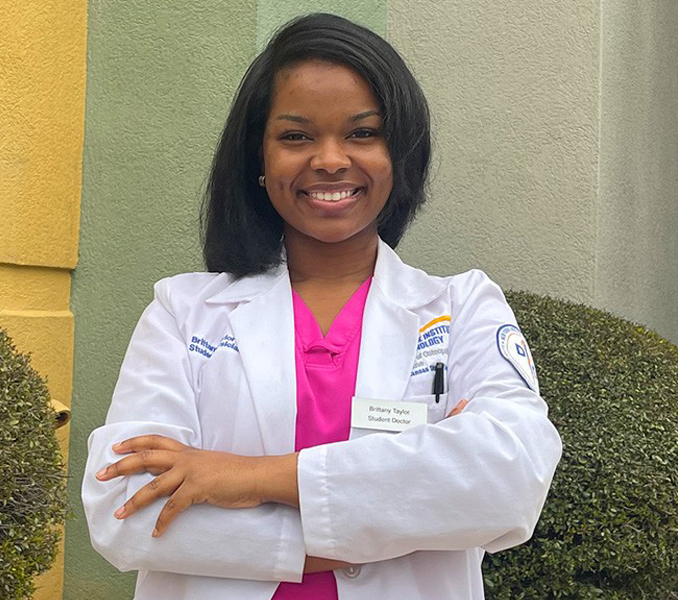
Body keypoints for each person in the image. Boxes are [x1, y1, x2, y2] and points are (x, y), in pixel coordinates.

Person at [82, 13, 562, 600]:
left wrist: (246, 476)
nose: (331, 160)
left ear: (399, 154)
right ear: (257, 159)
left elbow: (509, 478)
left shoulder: (461, 306)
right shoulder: (184, 313)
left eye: (362, 133)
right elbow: (123, 512)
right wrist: (406, 515)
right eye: (296, 136)